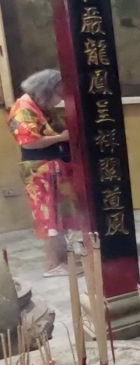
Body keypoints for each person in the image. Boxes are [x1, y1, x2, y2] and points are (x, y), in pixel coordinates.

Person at [6, 69, 74, 276]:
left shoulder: (38, 107)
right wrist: (62, 138)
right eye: (58, 94)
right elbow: (30, 142)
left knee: (57, 216)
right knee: (48, 218)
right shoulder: (23, 108)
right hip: (38, 170)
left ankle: (62, 259)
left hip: (50, 167)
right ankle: (52, 264)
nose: (58, 100)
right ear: (47, 89)